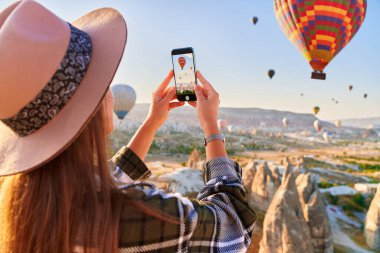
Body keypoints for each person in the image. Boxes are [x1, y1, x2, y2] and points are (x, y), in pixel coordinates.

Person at [0, 1, 256, 252]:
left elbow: (112, 175)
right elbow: (233, 226)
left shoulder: (20, 208)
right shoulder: (130, 214)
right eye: (103, 81)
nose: (110, 91)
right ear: (90, 106)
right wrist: (211, 126)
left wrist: (152, 121)